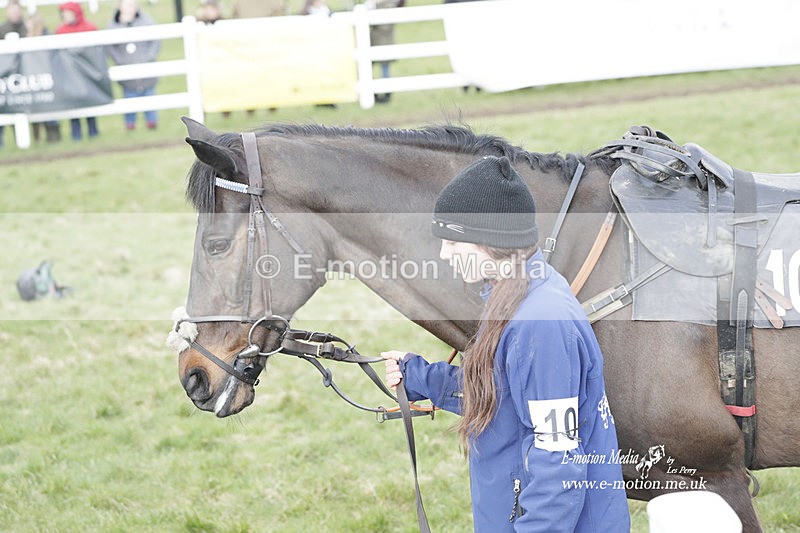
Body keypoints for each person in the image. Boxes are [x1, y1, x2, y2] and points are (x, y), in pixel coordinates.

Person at [383, 156, 631, 531]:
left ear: (489, 241)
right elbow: (504, 397)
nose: (444, 254)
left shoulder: (540, 323)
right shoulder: (515, 293)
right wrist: (418, 375)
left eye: (453, 240)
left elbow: (557, 458)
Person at [106, 0, 161, 131]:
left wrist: (149, 57)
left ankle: (152, 122)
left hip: (146, 70)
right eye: (126, 5)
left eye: (132, 5)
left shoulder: (146, 21)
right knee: (129, 97)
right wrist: (119, 60)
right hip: (127, 71)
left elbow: (155, 41)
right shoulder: (113, 25)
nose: (130, 8)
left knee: (149, 97)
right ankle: (130, 124)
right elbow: (110, 47)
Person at [56, 2, 99, 141]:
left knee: (90, 100)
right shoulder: (60, 31)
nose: (65, 16)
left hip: (86, 73)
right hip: (69, 74)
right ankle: (76, 134)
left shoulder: (89, 28)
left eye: (67, 13)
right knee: (73, 103)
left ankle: (93, 131)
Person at [25, 12, 62, 143]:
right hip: (32, 79)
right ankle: (37, 138)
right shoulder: (26, 40)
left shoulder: (47, 38)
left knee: (50, 107)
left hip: (46, 78)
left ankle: (54, 136)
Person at [366, 0, 403, 103]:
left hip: (383, 41)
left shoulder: (388, 5)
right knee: (369, 68)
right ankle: (374, 93)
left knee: (385, 69)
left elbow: (384, 25)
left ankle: (386, 94)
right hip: (374, 41)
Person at [0, 1, 26, 147]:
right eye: (12, 10)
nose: (15, 13)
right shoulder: (1, 29)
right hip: (4, 76)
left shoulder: (27, 27)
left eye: (17, 10)